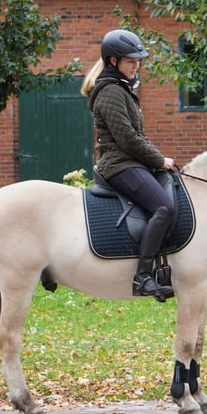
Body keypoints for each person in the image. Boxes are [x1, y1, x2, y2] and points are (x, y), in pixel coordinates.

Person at [81, 29, 176, 299]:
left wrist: (158, 161)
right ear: (113, 61)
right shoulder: (111, 91)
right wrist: (160, 159)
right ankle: (143, 277)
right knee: (164, 206)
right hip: (119, 164)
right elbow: (128, 139)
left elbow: (138, 136)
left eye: (138, 61)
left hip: (131, 161)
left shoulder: (122, 89)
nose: (136, 66)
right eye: (131, 61)